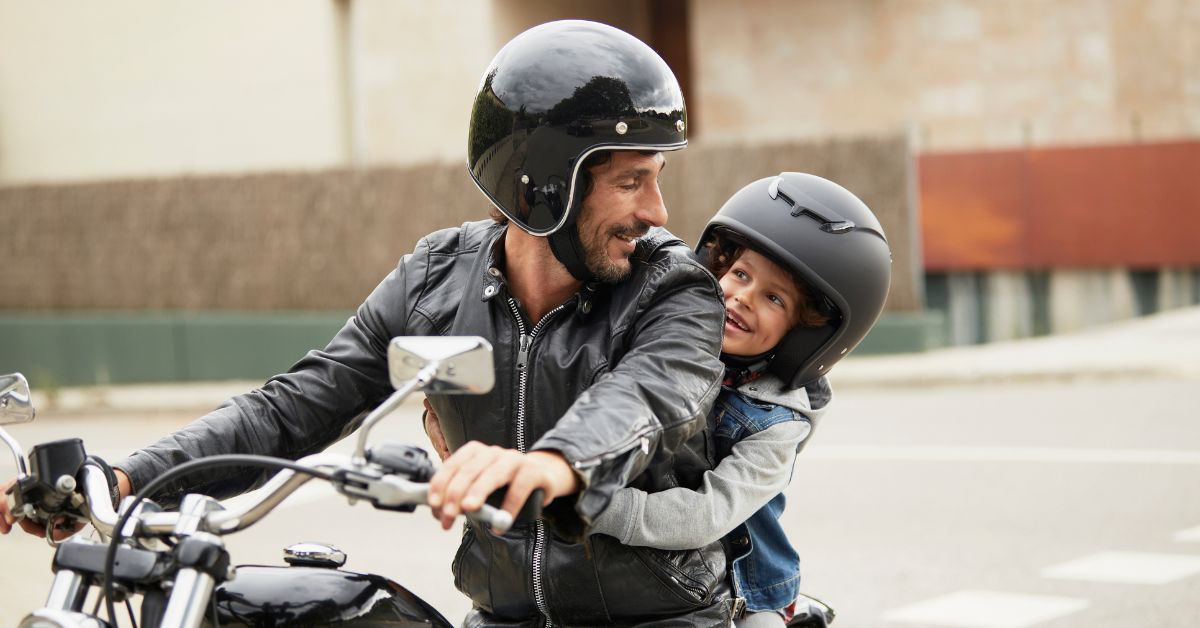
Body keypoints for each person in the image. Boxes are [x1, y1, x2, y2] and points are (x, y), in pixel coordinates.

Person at [2, 20, 734, 627]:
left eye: (655, 180)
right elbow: (293, 407)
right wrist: (129, 478)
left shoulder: (675, 293)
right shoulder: (433, 282)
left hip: (666, 620)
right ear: (545, 184)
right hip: (501, 617)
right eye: (631, 181)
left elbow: (643, 400)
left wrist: (552, 462)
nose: (656, 213)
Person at [589, 172, 892, 627]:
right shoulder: (667, 348)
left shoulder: (777, 425)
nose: (743, 296)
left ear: (804, 336)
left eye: (773, 297)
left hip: (743, 592)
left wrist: (596, 508)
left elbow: (704, 516)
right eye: (740, 274)